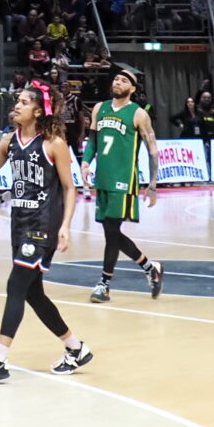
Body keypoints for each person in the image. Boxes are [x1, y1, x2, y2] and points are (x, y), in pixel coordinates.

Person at [0, 90, 93, 380]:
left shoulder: (54, 143)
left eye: (24, 102)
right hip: (20, 223)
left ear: (38, 111)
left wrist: (65, 225)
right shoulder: (9, 141)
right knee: (33, 293)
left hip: (44, 223)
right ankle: (75, 348)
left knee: (15, 285)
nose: (17, 105)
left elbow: (69, 188)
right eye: (17, 101)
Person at [81, 68, 164, 303]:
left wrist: (153, 184)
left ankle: (104, 284)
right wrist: (85, 163)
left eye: (124, 80)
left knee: (111, 232)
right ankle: (150, 268)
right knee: (111, 232)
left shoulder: (138, 114)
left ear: (133, 88)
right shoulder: (99, 108)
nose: (117, 82)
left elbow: (153, 149)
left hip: (124, 180)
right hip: (103, 178)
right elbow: (92, 140)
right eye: (116, 79)